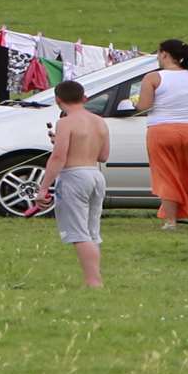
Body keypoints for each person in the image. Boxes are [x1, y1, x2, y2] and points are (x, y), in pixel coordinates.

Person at [34, 81, 109, 288]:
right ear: (84, 98)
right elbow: (103, 155)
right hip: (95, 175)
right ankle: (95, 279)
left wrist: (43, 188)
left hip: (74, 177)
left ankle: (93, 281)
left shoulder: (66, 123)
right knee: (92, 232)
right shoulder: (99, 121)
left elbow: (58, 157)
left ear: (58, 100)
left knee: (78, 233)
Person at [134, 38, 188, 229]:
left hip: (162, 129)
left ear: (164, 54)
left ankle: (171, 220)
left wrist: (133, 103)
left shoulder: (153, 78)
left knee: (166, 175)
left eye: (158, 53)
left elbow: (144, 106)